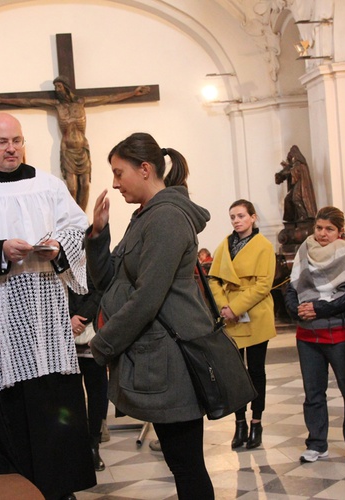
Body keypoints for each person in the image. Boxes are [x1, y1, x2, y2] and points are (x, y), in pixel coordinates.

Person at [0, 112, 96, 499]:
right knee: (6, 409)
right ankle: (13, 490)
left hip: (46, 320)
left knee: (51, 405)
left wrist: (60, 246)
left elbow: (75, 228)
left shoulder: (48, 184)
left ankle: (59, 487)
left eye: (17, 140)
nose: (11, 148)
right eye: (2, 142)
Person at [86, 132, 214, 498]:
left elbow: (147, 297)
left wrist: (103, 345)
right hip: (155, 359)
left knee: (186, 464)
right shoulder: (144, 216)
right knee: (180, 462)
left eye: (118, 172)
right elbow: (109, 280)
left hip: (172, 360)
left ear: (145, 169)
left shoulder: (168, 218)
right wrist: (97, 234)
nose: (114, 182)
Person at [0, 77, 150, 210]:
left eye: (60, 87)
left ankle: (82, 217)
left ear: (66, 87)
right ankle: (73, 217)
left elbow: (108, 98)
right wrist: (2, 100)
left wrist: (134, 93)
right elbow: (29, 101)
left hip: (82, 149)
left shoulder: (81, 102)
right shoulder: (57, 106)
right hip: (68, 150)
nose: (58, 90)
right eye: (56, 88)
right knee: (72, 187)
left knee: (85, 185)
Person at [284, 206, 345, 465]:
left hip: (339, 332)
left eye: (329, 229)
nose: (322, 233)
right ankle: (317, 444)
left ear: (339, 231)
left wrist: (318, 307)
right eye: (319, 228)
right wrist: (295, 309)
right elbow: (291, 286)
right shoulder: (304, 250)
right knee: (313, 393)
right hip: (307, 335)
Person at [209, 199, 277, 450]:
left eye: (240, 216)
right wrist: (224, 307)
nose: (236, 221)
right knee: (235, 374)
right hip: (230, 318)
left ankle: (256, 422)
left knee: (257, 372)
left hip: (255, 314)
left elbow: (263, 285)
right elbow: (213, 278)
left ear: (253, 217)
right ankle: (239, 424)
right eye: (232, 217)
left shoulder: (264, 246)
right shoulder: (225, 245)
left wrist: (236, 307)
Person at [68, 271, 108, 472]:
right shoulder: (60, 254)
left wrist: (81, 317)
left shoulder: (95, 254)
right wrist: (70, 318)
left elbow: (102, 288)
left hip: (93, 336)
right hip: (65, 337)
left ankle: (94, 445)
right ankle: (76, 446)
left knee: (97, 396)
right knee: (70, 398)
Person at [274, 145, 317, 222]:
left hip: (301, 186)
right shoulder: (293, 165)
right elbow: (289, 172)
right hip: (295, 186)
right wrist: (285, 170)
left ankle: (304, 216)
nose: (290, 158)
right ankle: (291, 218)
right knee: (288, 199)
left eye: (291, 155)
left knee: (296, 198)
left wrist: (286, 170)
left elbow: (294, 172)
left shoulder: (300, 164)